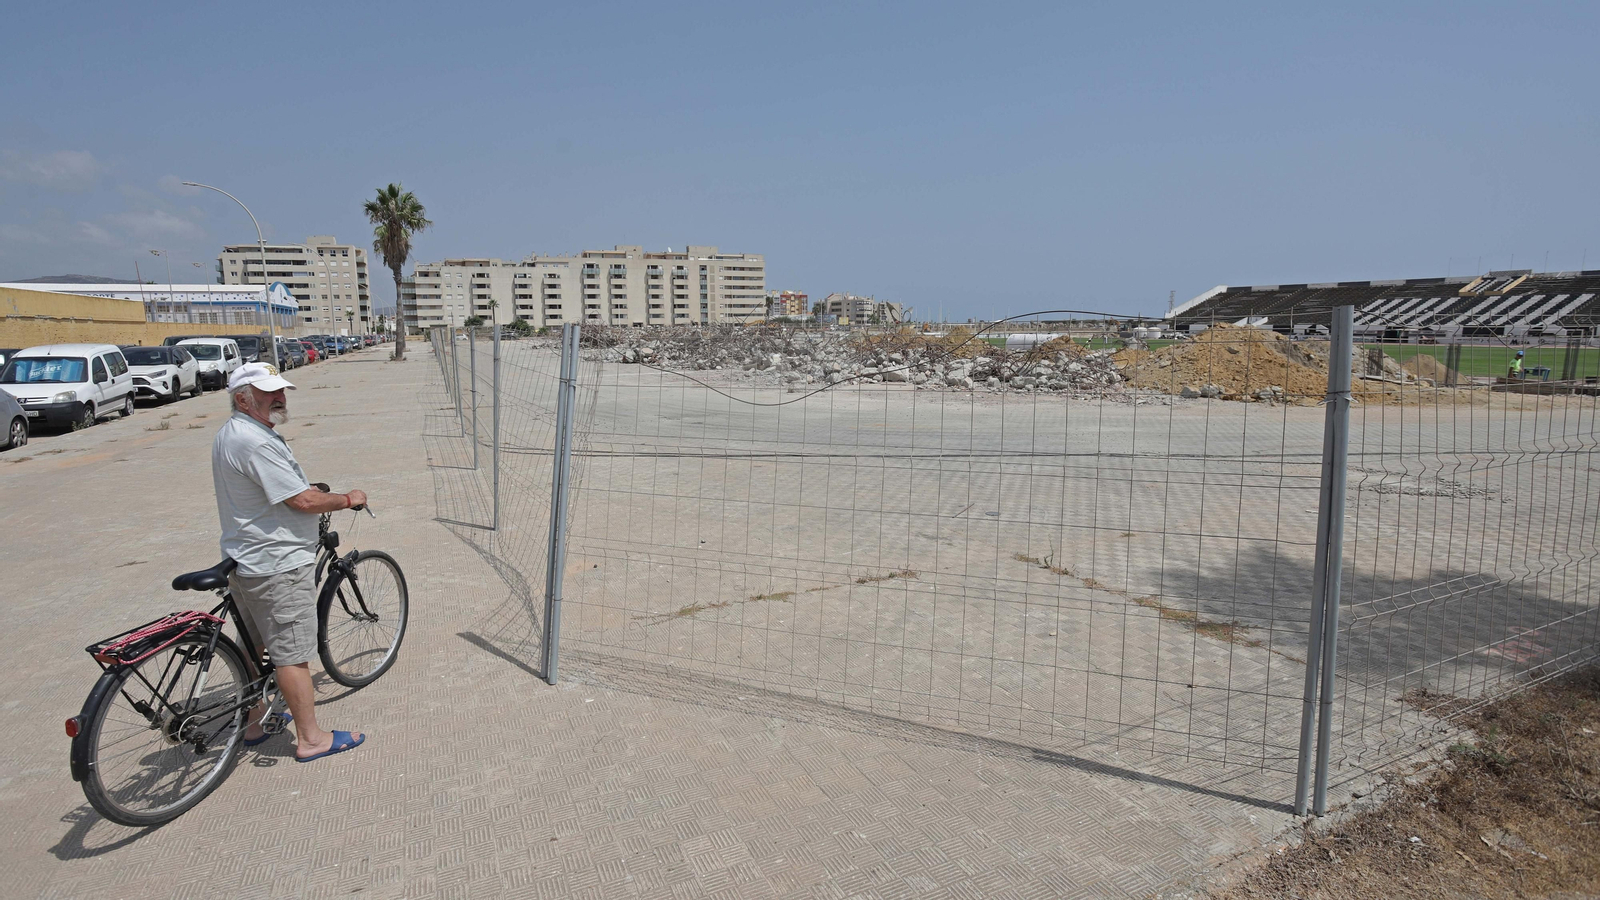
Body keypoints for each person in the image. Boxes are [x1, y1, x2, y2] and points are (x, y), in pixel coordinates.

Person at [213, 362, 368, 762]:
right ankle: (311, 739)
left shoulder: (233, 433)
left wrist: (304, 488)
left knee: (254, 644)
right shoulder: (256, 441)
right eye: (268, 393)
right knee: (292, 654)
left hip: (245, 557)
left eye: (280, 390)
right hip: (277, 563)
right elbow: (302, 502)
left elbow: (279, 489)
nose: (279, 397)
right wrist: (348, 499)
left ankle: (254, 720)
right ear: (243, 398)